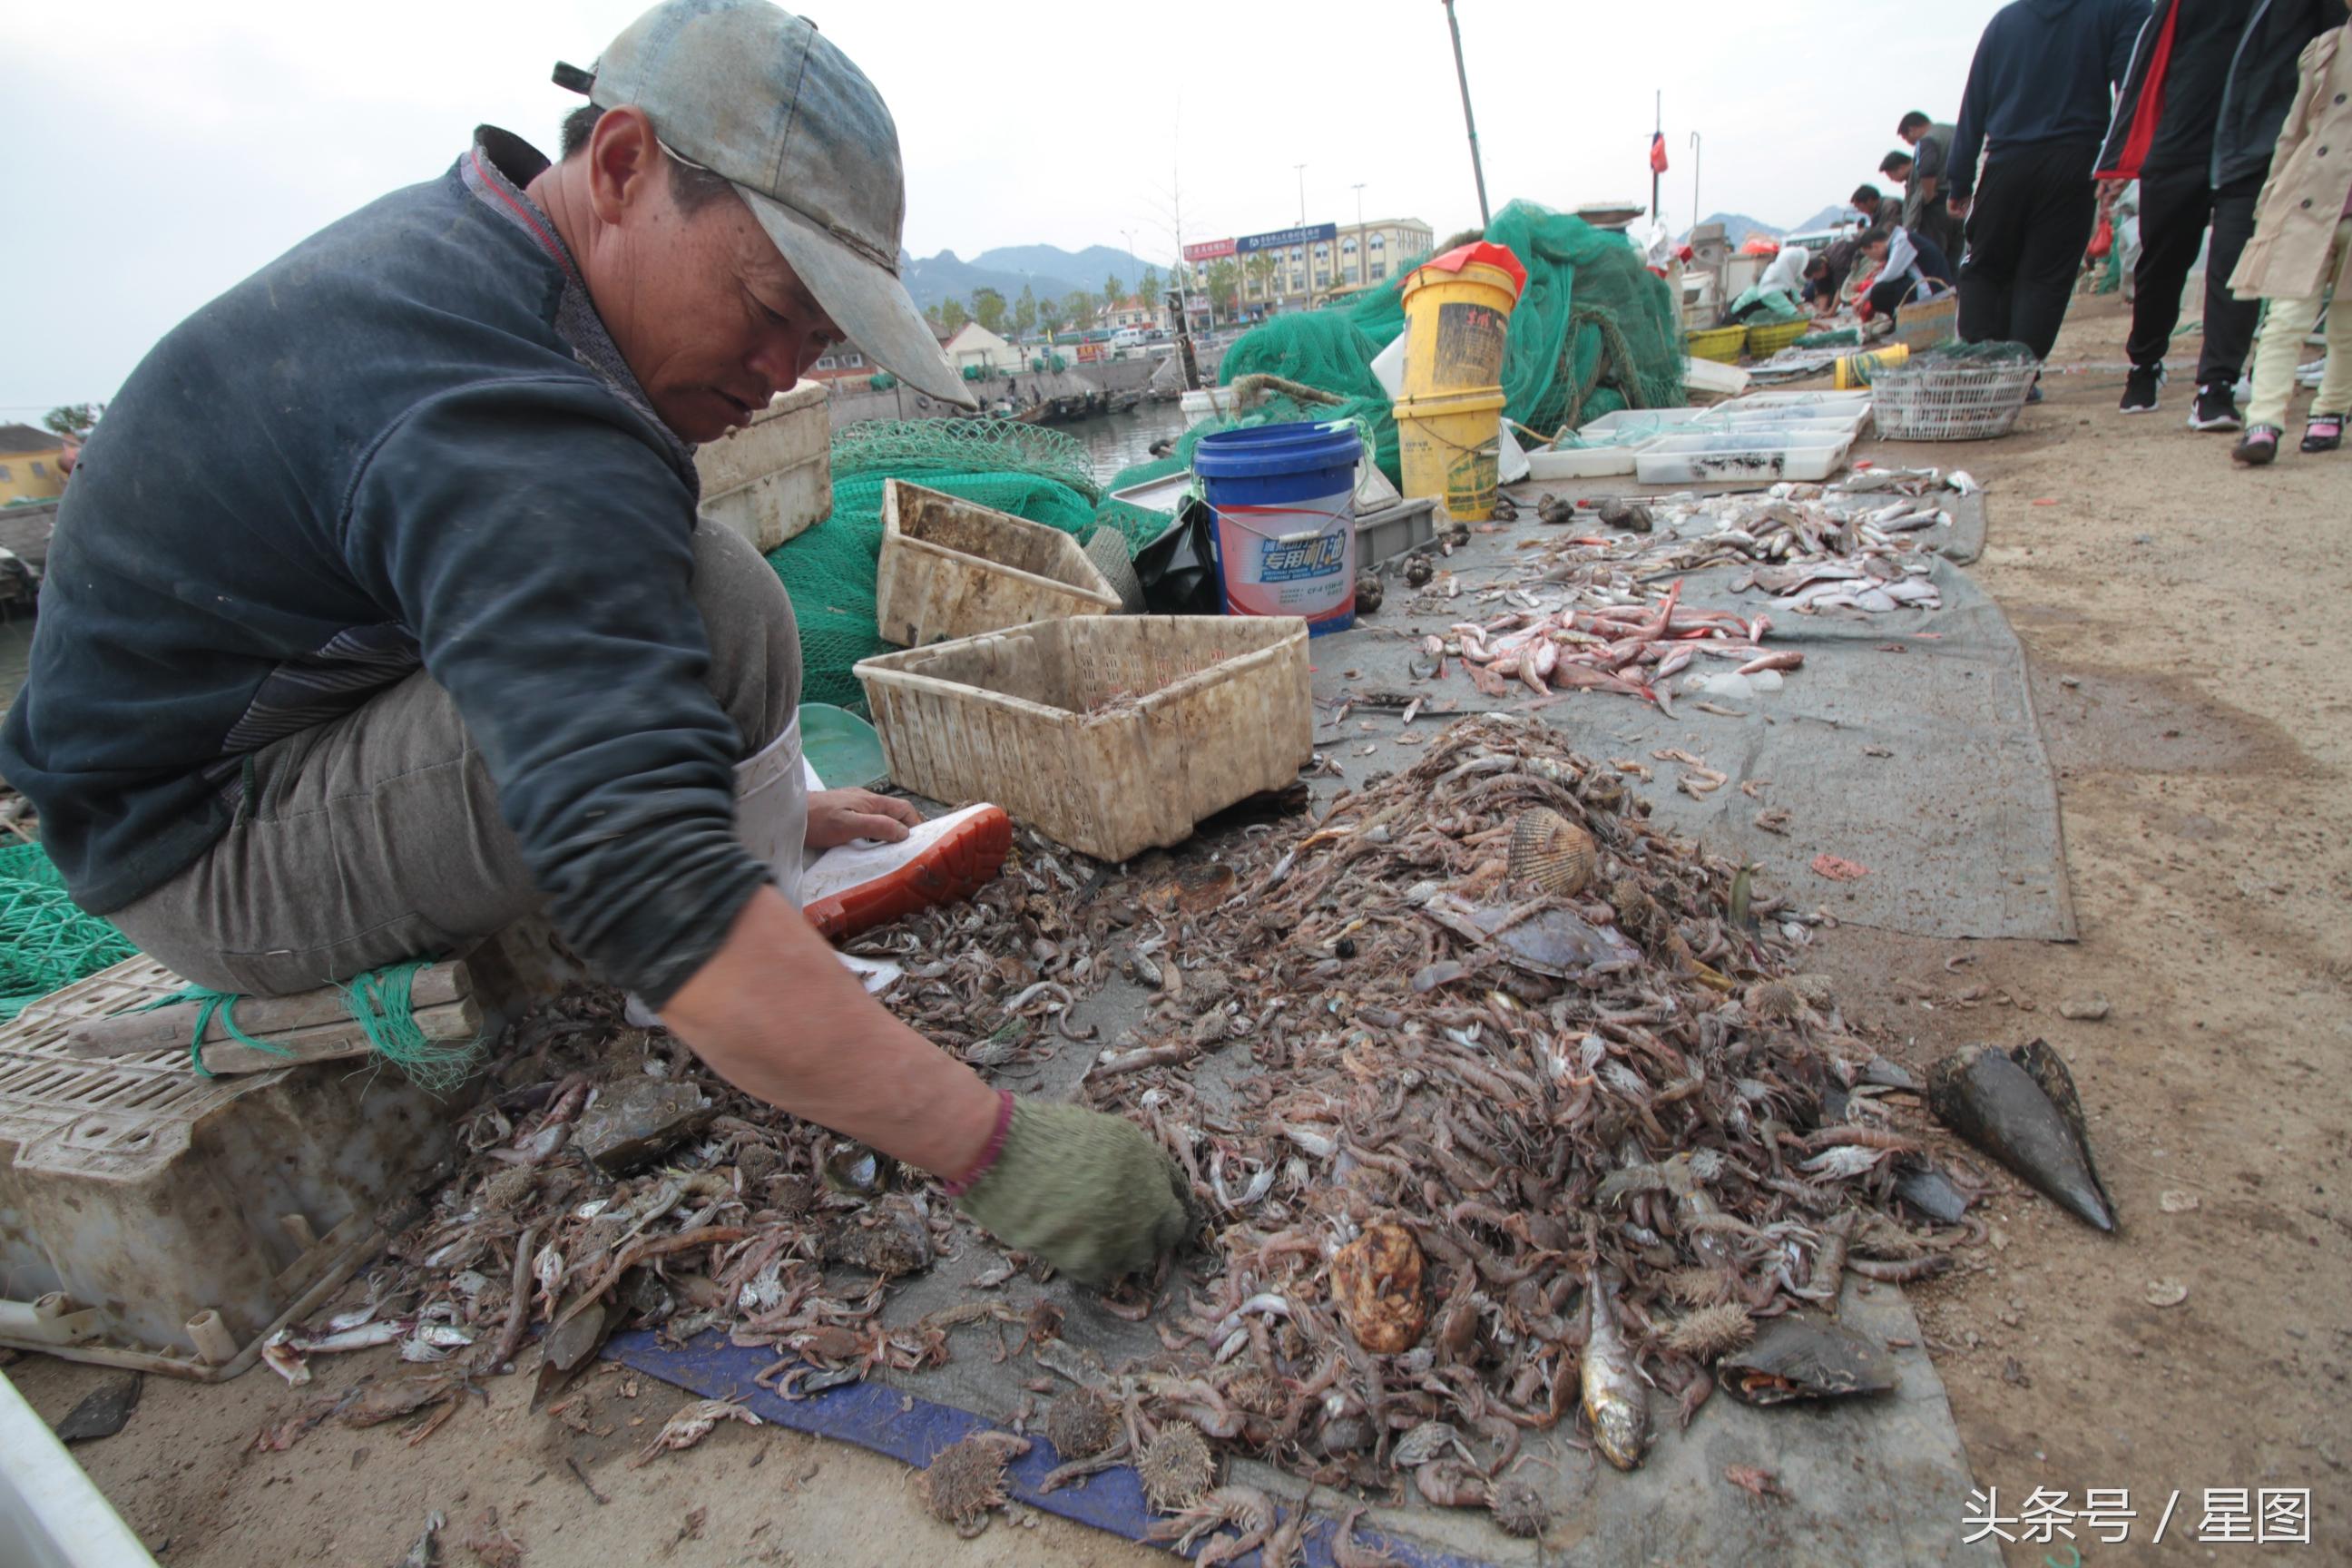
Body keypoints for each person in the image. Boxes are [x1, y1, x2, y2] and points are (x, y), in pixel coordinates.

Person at [0, 0, 1191, 1287]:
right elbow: (642, 867)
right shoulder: (499, 405)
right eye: (769, 302)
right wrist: (993, 1146)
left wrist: (778, 800)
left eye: (821, 336)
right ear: (622, 166)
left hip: (297, 732)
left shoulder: (479, 263)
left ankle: (759, 913)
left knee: (715, 583)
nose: (787, 369)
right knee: (667, 738)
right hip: (198, 844)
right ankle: (723, 1001)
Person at [2098, 0, 2337, 427]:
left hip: (2255, 145)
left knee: (2234, 264)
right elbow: (2149, 56)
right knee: (2160, 262)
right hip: (2179, 139)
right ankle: (2145, 365)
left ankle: (2216, 387)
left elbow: (2334, 43)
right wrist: (2121, 153)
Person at [1948, 0, 2151, 371]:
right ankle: (2020, 374)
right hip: (2076, 159)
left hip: (2007, 159)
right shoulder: (2121, 8)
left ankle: (1980, 367)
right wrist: (2120, 160)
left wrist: (1959, 179)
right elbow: (2133, 86)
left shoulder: (2005, 22)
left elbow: (1973, 102)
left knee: (1985, 267)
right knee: (2043, 276)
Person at [2227, 3, 2352, 465]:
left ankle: (2332, 408)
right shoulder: (2324, 48)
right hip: (2309, 199)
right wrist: (2271, 194)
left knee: (2347, 323)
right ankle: (2263, 421)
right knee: (2284, 317)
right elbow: (2292, 132)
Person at [1859, 223, 1955, 323]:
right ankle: (1897, 319)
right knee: (1880, 288)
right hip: (1928, 285)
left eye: (1869, 256)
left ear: (1875, 246)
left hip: (1933, 289)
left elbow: (1890, 274)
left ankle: (1899, 320)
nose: (1873, 260)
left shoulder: (1902, 240)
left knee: (1878, 292)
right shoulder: (1899, 241)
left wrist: (1864, 296)